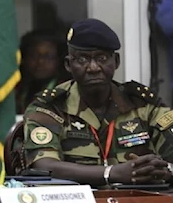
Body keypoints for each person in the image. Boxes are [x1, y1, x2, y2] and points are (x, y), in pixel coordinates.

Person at [23, 18, 173, 187]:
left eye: (101, 58)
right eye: (82, 59)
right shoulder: (50, 106)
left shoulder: (143, 104)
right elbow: (44, 165)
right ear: (68, 64)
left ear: (116, 61)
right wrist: (112, 173)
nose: (93, 67)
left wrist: (165, 170)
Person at [15, 29, 69, 114]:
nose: (40, 61)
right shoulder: (17, 88)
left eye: (48, 56)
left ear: (59, 59)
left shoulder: (66, 91)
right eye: (34, 55)